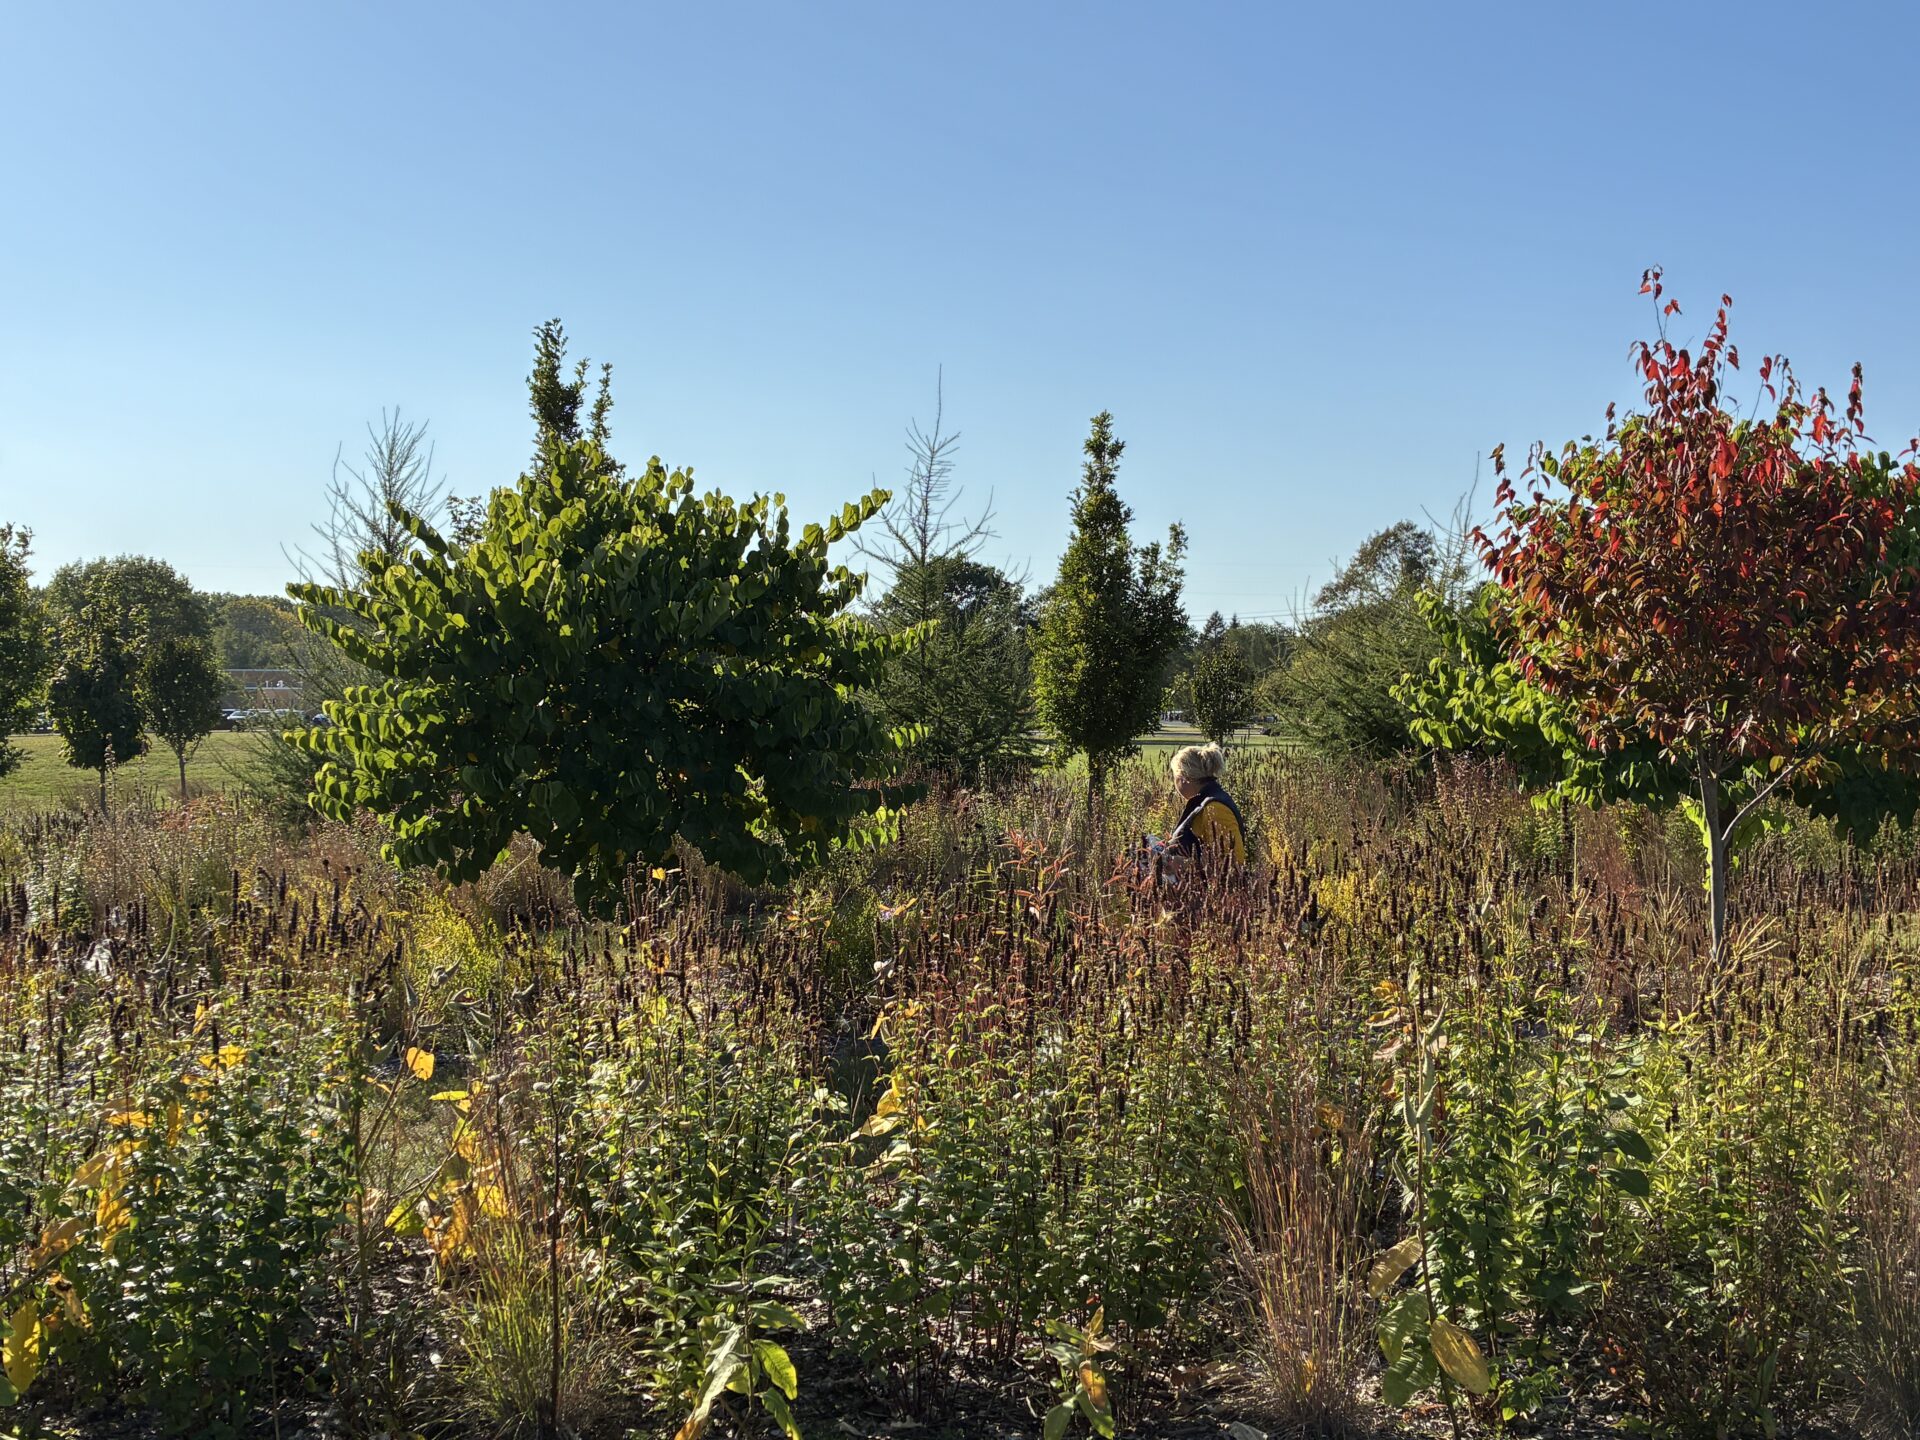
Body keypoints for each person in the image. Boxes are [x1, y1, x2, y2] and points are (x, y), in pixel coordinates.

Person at [1165, 742, 1247, 867]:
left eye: (1174, 776)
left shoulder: (1215, 808)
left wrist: (1182, 864)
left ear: (1183, 778)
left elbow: (1234, 862)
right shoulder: (1202, 801)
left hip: (1212, 885)